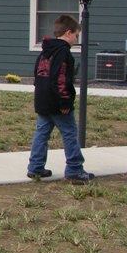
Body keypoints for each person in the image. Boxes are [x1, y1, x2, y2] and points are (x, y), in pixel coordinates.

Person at [27, 14, 95, 184]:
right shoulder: (63, 53)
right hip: (58, 102)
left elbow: (38, 74)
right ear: (68, 32)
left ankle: (35, 168)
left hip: (42, 100)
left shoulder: (45, 51)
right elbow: (61, 79)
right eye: (76, 35)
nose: (76, 39)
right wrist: (65, 101)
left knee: (41, 133)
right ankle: (74, 170)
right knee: (70, 133)